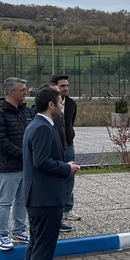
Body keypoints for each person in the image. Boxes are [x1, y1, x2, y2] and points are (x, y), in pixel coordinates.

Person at [21, 86, 79, 260]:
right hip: (45, 197)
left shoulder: (38, 125)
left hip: (38, 196)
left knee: (36, 244)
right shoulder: (42, 128)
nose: (63, 106)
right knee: (43, 246)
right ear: (51, 105)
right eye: (60, 103)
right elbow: (42, 161)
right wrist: (67, 168)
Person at [0, 77, 33, 251]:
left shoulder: (26, 112)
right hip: (8, 165)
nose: (26, 92)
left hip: (26, 165)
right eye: (22, 89)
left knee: (22, 200)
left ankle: (19, 231)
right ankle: (1, 235)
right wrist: (23, 154)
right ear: (11, 92)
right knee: (5, 202)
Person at [51, 75, 80, 222]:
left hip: (68, 145)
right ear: (55, 87)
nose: (66, 88)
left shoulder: (71, 104)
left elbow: (70, 123)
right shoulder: (48, 104)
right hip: (54, 146)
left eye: (67, 85)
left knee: (70, 176)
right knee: (54, 176)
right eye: (62, 86)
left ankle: (67, 209)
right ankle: (54, 209)